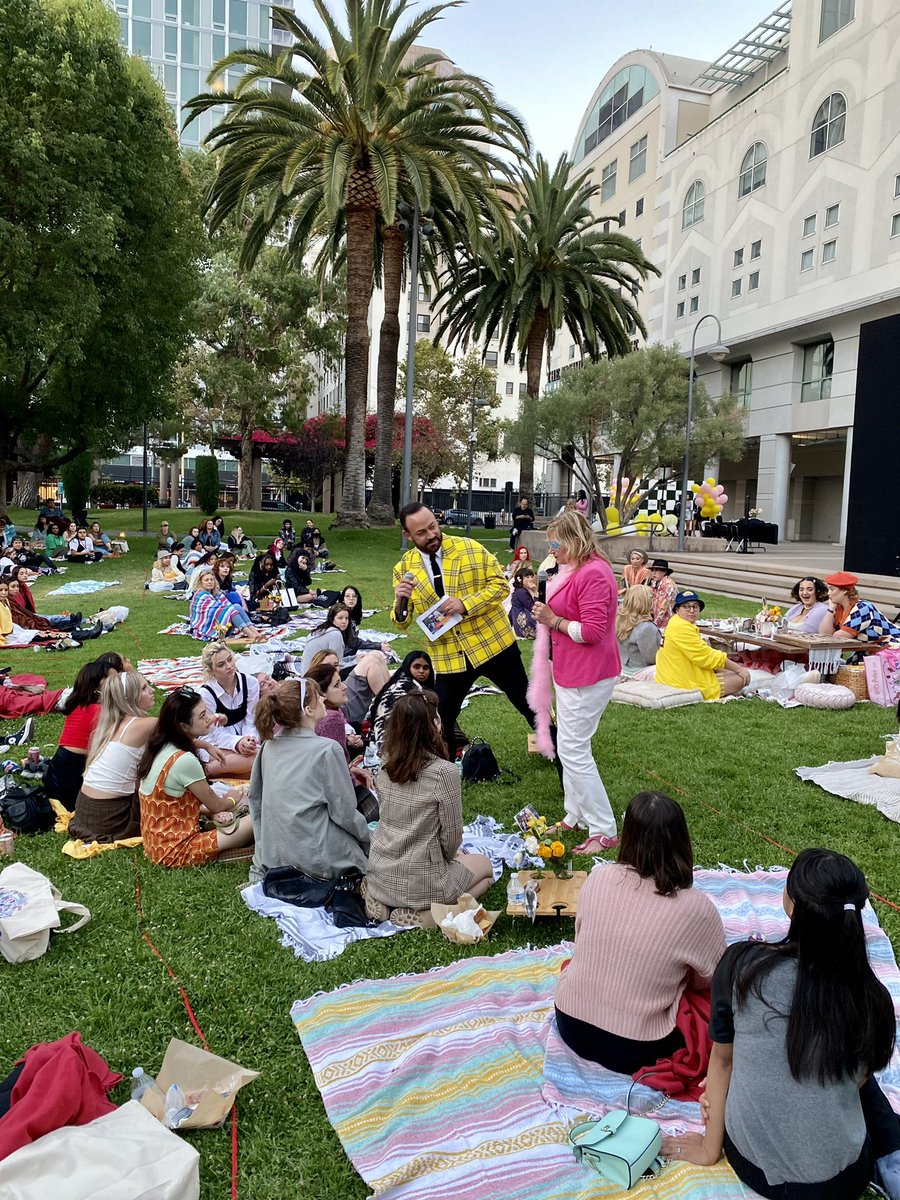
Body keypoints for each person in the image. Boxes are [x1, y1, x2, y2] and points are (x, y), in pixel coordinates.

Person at [664, 849, 900, 1200]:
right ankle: (893, 1154)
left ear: (790, 902)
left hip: (757, 1169)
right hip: (843, 1179)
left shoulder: (743, 966)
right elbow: (858, 1081)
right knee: (853, 1075)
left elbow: (723, 1060)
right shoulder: (873, 998)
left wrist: (708, 1146)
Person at [555, 791, 725, 1074]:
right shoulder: (696, 908)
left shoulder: (598, 877)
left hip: (570, 1023)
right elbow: (710, 979)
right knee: (712, 1006)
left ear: (628, 836)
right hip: (635, 1046)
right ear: (682, 840)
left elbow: (582, 938)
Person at [392, 503, 539, 754]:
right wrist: (399, 603)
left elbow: (501, 587)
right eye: (421, 533)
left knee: (528, 704)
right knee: (443, 718)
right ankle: (446, 775)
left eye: (433, 527)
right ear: (407, 535)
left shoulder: (469, 548)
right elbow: (401, 620)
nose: (431, 535)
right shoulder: (404, 569)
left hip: (494, 645)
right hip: (450, 657)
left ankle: (561, 757)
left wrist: (465, 604)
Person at [531, 511, 621, 853]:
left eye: (557, 544)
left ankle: (603, 828)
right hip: (571, 670)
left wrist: (554, 621)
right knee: (570, 746)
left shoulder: (595, 573)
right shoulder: (576, 568)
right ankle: (575, 815)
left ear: (575, 540)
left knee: (574, 749)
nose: (552, 551)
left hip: (588, 673)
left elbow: (594, 632)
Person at [364, 690, 493, 926]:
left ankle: (380, 904)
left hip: (381, 870)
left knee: (459, 864)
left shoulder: (385, 764)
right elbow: (452, 835)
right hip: (425, 879)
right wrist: (451, 858)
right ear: (435, 724)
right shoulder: (445, 772)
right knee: (486, 870)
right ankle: (433, 915)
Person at [247, 678, 370, 885]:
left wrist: (264, 849)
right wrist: (370, 839)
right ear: (308, 710)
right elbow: (344, 813)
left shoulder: (269, 746)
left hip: (275, 854)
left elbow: (256, 802)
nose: (323, 699)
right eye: (318, 696)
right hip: (315, 856)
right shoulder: (327, 749)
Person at [138, 689, 253, 866]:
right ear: (184, 726)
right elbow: (217, 805)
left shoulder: (161, 745)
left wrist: (206, 745)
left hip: (157, 844)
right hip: (178, 851)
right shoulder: (185, 760)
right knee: (258, 816)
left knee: (241, 805)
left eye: (206, 711)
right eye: (202, 716)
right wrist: (232, 797)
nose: (209, 717)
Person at [69, 671, 157, 843]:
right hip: (112, 819)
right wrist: (207, 743)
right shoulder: (146, 724)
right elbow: (182, 732)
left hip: (84, 813)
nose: (152, 690)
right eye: (144, 688)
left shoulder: (108, 725)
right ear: (129, 699)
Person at [44, 653, 128, 810]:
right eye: (113, 680)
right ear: (97, 687)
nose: (119, 684)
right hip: (74, 776)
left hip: (57, 771)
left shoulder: (79, 705)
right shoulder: (102, 711)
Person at [655, 591, 751, 699]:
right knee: (740, 679)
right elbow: (705, 656)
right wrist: (739, 669)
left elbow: (702, 654)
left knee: (731, 672)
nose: (691, 610)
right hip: (681, 682)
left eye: (695, 607)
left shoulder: (677, 622)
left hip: (675, 675)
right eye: (686, 607)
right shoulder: (681, 628)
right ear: (677, 610)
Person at [304, 617, 389, 724]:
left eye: (336, 664)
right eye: (340, 618)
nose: (344, 621)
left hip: (344, 703)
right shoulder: (327, 712)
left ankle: (391, 702)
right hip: (346, 710)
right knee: (372, 660)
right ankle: (389, 707)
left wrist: (354, 660)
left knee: (376, 656)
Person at [199, 644, 261, 778]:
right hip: (214, 741)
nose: (229, 666)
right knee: (257, 759)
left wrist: (249, 740)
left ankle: (218, 771)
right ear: (211, 671)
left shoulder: (250, 683)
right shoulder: (206, 693)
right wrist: (238, 743)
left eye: (230, 659)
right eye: (221, 664)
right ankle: (206, 771)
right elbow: (214, 733)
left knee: (255, 756)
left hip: (242, 734)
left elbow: (251, 719)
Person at [366, 650, 435, 758]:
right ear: (408, 667)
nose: (421, 671)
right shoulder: (408, 688)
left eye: (425, 668)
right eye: (417, 667)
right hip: (391, 746)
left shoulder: (399, 681)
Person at [818, 571, 900, 643]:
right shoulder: (838, 607)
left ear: (844, 591)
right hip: (870, 651)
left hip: (892, 648)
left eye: (832, 589)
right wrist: (831, 609)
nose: (828, 593)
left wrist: (833, 633)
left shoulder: (863, 608)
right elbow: (823, 634)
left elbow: (840, 637)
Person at [188, 570, 262, 642]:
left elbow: (227, 605)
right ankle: (250, 634)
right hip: (206, 626)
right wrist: (229, 610)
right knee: (230, 610)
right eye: (206, 580)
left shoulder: (216, 593)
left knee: (236, 606)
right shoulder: (200, 595)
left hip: (222, 624)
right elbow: (214, 611)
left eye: (211, 580)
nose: (210, 582)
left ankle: (255, 632)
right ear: (201, 582)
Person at [9, 567, 80, 629]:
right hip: (24, 617)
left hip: (28, 614)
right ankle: (83, 620)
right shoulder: (14, 592)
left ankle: (77, 620)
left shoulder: (24, 587)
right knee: (50, 619)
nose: (25, 575)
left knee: (51, 618)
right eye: (21, 574)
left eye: (26, 573)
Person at [616, 584, 661, 676]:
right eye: (652, 597)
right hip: (639, 671)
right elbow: (652, 659)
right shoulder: (646, 627)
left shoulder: (619, 619)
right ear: (646, 602)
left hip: (622, 667)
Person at [649, 559, 678, 630]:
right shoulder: (656, 583)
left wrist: (654, 625)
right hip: (659, 621)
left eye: (657, 570)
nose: (654, 573)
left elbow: (662, 607)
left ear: (664, 572)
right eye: (652, 570)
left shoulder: (668, 585)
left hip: (668, 622)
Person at [509, 567, 538, 639]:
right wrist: (535, 592)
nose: (531, 579)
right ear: (520, 579)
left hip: (520, 628)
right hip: (527, 628)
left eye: (531, 577)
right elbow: (534, 609)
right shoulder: (521, 592)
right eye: (527, 577)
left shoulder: (519, 591)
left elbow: (512, 611)